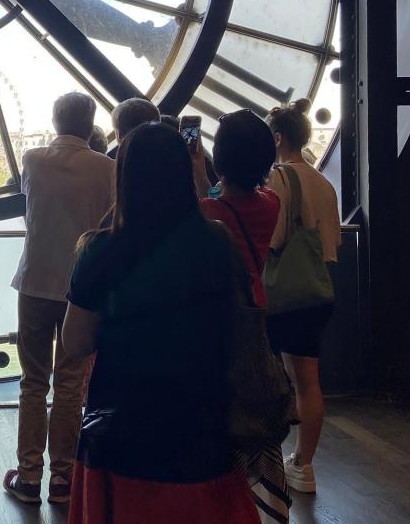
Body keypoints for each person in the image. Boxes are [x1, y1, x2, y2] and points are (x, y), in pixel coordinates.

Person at [61, 123, 259, 524]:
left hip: (122, 432)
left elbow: (75, 342)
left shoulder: (99, 249)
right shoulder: (217, 243)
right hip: (203, 428)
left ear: (124, 176)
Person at [5, 92, 114, 507]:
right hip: (80, 288)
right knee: (69, 384)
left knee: (34, 382)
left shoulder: (33, 160)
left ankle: (29, 475)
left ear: (55, 120)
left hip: (34, 281)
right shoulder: (107, 169)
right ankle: (63, 479)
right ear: (90, 125)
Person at [199, 110, 288, 524]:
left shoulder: (209, 211)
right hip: (255, 317)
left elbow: (205, 209)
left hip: (214, 325)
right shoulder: (270, 203)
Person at [265, 99, 341, 495]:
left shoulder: (279, 179)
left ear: (277, 139)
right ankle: (304, 463)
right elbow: (331, 245)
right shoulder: (324, 183)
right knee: (308, 383)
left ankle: (266, 462)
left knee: (266, 379)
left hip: (282, 295)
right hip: (315, 291)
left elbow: (273, 239)